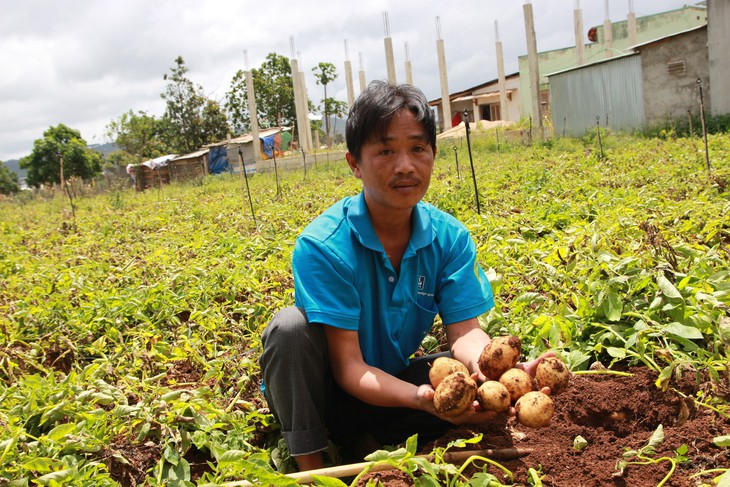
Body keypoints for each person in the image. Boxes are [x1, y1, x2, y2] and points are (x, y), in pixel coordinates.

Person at [259, 80, 549, 472]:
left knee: (465, 383)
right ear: (354, 163)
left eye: (417, 148)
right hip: (325, 392)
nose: (405, 166)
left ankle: (372, 437)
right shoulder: (323, 245)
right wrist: (417, 398)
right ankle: (311, 467)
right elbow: (348, 367)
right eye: (385, 151)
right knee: (289, 328)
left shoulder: (448, 237)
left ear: (432, 153)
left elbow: (464, 332)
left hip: (387, 381)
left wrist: (489, 368)